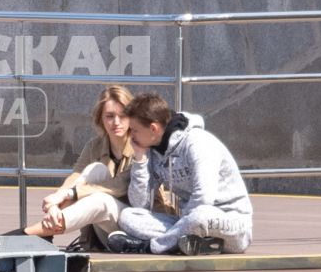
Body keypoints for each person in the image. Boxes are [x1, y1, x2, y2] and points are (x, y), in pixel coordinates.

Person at [106, 93, 253, 256]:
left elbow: (204, 198)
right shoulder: (153, 153)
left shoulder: (198, 143)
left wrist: (183, 226)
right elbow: (140, 204)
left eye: (134, 130)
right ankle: (193, 244)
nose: (131, 136)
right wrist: (140, 159)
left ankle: (149, 247)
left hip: (231, 226)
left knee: (199, 215)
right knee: (128, 216)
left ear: (153, 129)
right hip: (186, 224)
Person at [22, 84, 152, 250]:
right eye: (110, 116)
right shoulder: (95, 146)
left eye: (122, 116)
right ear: (100, 118)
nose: (116, 122)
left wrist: (70, 194)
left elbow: (118, 186)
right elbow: (76, 176)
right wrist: (56, 200)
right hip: (108, 231)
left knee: (101, 200)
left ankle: (30, 234)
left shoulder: (142, 146)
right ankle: (49, 227)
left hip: (138, 230)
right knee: (96, 169)